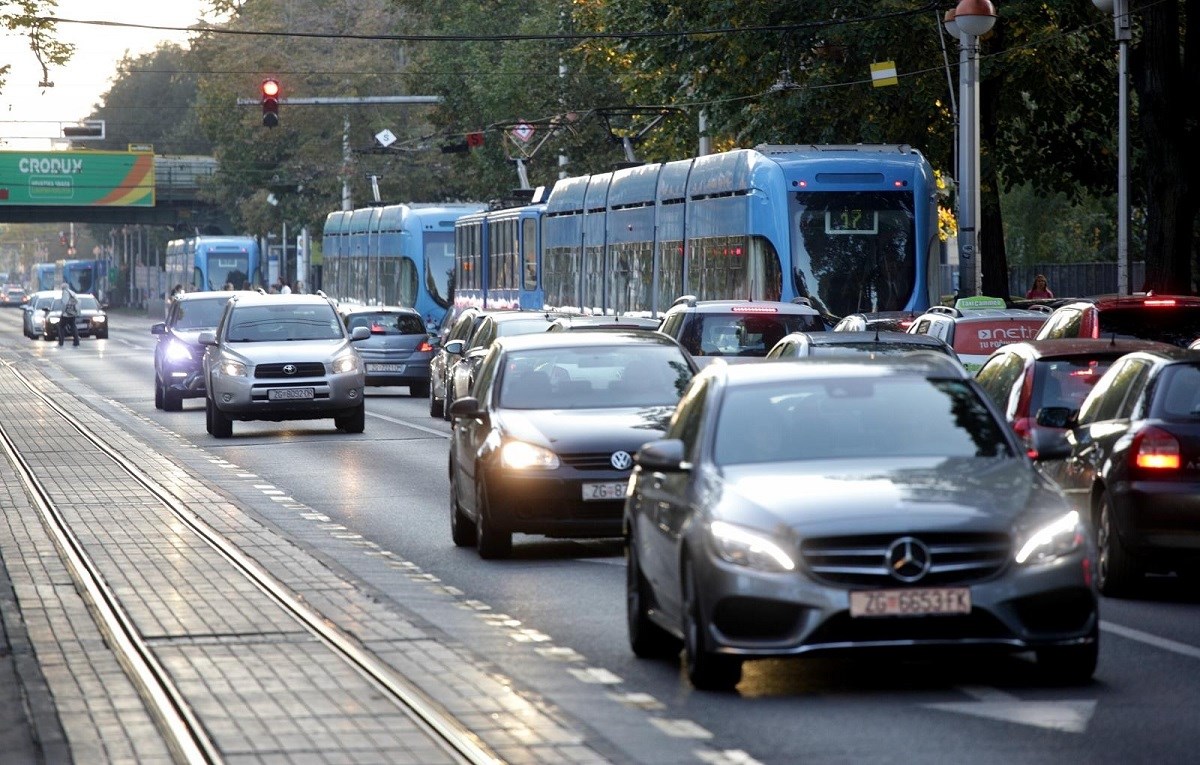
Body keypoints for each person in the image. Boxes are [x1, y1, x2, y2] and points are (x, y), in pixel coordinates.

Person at [58, 282, 80, 347]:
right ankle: (76, 341)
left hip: (66, 314)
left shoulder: (65, 293)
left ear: (63, 288)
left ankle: (61, 342)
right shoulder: (72, 292)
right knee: (73, 326)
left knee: (61, 326)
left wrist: (62, 312)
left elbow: (64, 303)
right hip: (73, 313)